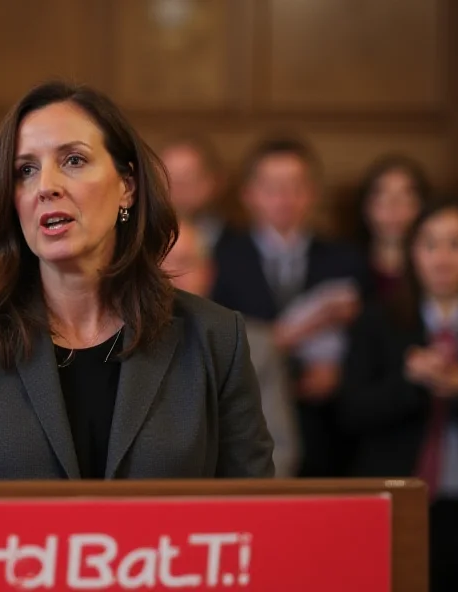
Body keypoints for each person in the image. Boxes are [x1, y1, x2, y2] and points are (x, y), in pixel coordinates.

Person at [0, 81, 274, 481]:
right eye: (25, 170)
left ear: (127, 186)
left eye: (73, 160)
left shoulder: (215, 338)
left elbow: (255, 519)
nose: (46, 186)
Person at [339, 198, 458, 591]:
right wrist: (409, 383)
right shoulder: (377, 320)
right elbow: (350, 413)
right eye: (430, 244)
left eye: (456, 244)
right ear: (412, 252)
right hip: (398, 500)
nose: (442, 258)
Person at [211, 136, 367, 477]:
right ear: (249, 194)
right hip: (255, 421)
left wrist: (340, 370)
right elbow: (218, 340)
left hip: (331, 427)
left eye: (296, 186)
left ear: (312, 193)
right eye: (272, 187)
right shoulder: (222, 260)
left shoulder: (345, 259)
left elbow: (369, 339)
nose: (284, 198)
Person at [163, 221, 299, 476]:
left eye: (184, 262)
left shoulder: (255, 344)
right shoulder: (120, 341)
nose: (171, 274)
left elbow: (278, 450)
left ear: (208, 272)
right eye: (160, 262)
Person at [356, 154, 432, 302]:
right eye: (383, 200)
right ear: (366, 207)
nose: (394, 209)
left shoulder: (437, 270)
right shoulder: (347, 270)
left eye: (405, 199)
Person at [160, 135, 227, 252]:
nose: (177, 189)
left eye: (188, 178)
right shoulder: (138, 241)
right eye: (168, 179)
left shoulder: (240, 246)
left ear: (214, 181)